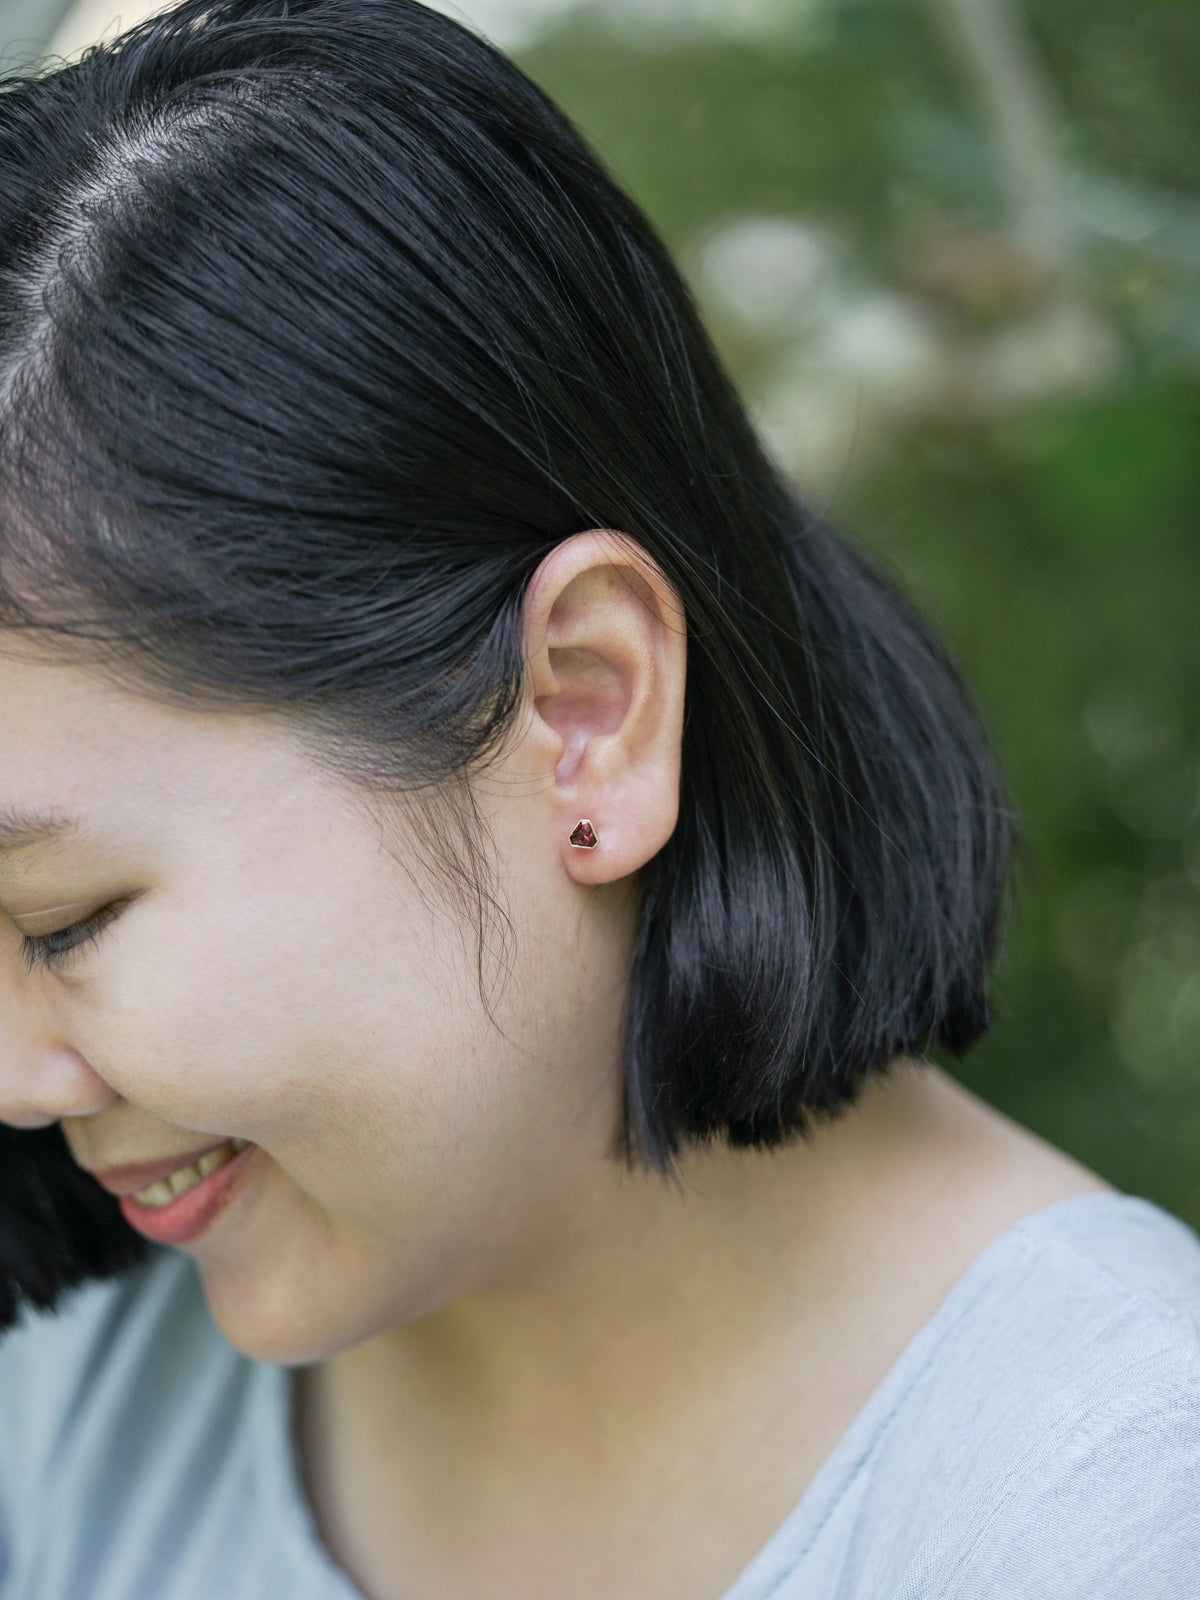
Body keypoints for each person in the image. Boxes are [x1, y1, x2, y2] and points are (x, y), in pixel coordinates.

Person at [0, 1, 1196, 1595]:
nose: (13, 1077)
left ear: (586, 709)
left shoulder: (1108, 1511)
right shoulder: (85, 1384)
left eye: (64, 922)